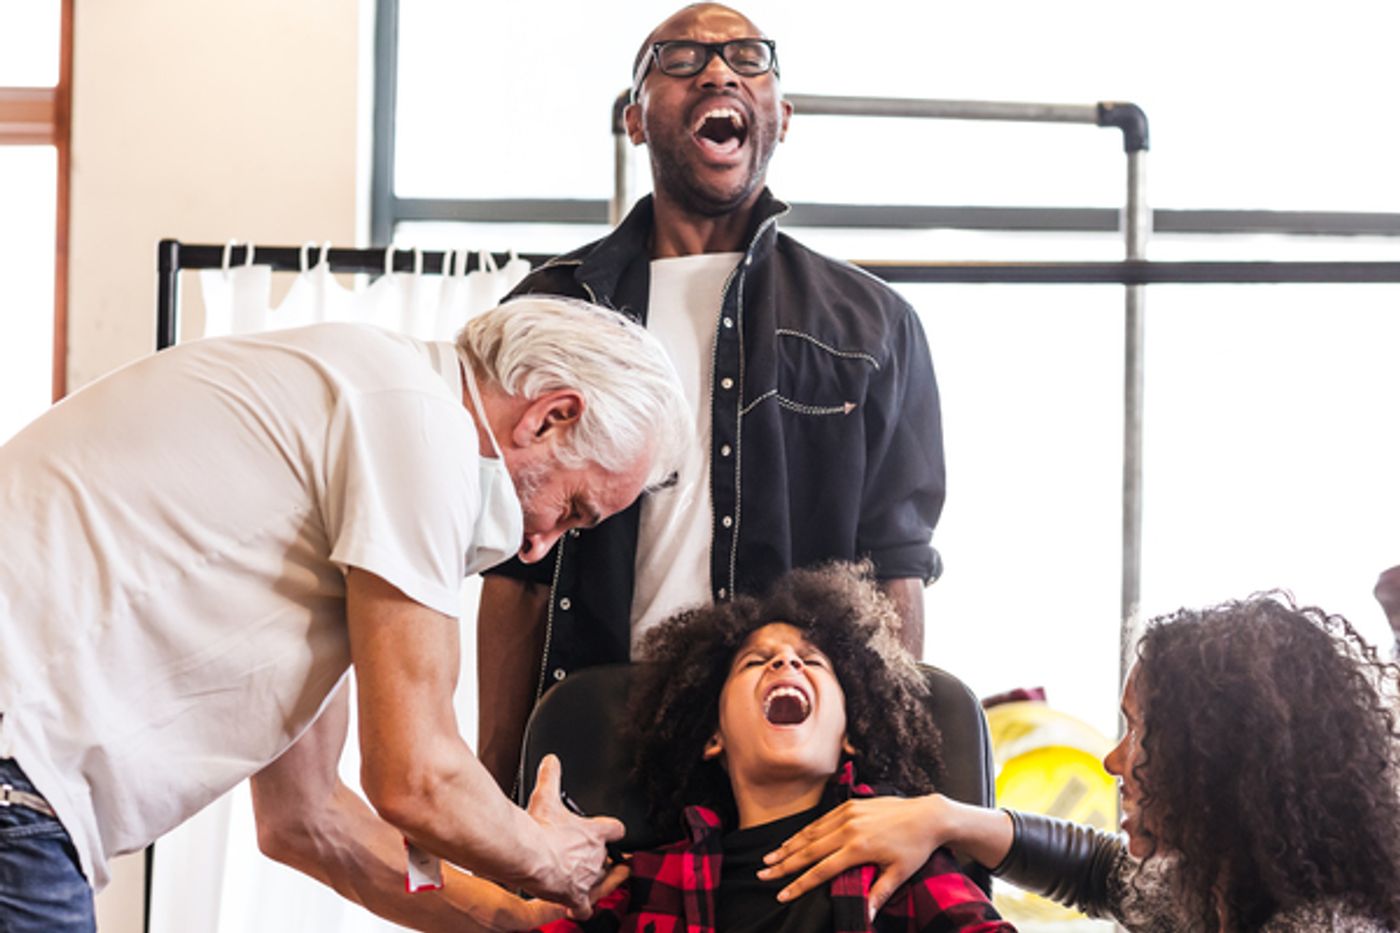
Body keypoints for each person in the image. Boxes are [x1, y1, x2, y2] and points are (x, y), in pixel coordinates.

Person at [0, 297, 688, 931]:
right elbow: (417, 777)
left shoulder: (356, 419)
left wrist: (521, 920)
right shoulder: (422, 425)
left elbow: (308, 819)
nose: (537, 547)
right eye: (571, 510)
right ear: (549, 416)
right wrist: (549, 859)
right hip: (19, 776)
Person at [477, 2, 946, 790]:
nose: (719, 72)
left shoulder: (873, 326)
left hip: (791, 750)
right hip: (597, 737)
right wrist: (494, 778)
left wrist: (893, 778)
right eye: (682, 58)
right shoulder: (554, 308)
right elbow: (512, 570)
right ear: (634, 118)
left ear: (782, 116)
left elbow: (896, 566)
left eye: (747, 58)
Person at [761, 594, 1400, 931]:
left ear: (1215, 764)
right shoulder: (1219, 891)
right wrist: (943, 818)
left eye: (1139, 732)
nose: (1113, 760)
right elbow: (1101, 874)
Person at [536, 562, 1012, 932]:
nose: (786, 661)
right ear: (712, 737)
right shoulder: (645, 883)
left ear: (850, 735)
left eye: (812, 661)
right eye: (754, 662)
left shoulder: (899, 859)